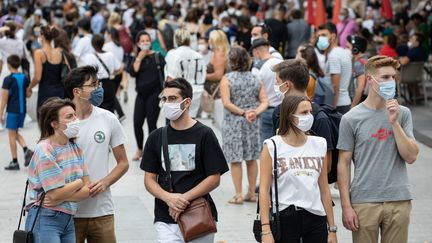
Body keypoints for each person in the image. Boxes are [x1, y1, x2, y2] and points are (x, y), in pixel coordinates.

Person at [337, 55, 419, 243]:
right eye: (385, 77)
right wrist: (346, 206)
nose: (391, 82)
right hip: (364, 200)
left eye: (393, 77)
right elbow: (343, 163)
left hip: (398, 198)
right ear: (369, 80)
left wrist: (394, 122)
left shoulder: (403, 113)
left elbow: (411, 156)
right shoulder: (350, 118)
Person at [141, 77, 229, 242]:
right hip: (166, 217)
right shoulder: (156, 137)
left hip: (198, 215)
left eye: (173, 99)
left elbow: (214, 178)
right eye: (164, 99)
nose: (167, 103)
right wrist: (168, 198)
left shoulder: (205, 134)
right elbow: (149, 179)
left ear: (187, 102)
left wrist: (184, 198)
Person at [63, 66, 129, 243]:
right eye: (93, 85)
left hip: (102, 211)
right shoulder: (60, 122)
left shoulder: (108, 119)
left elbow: (123, 162)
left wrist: (105, 182)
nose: (99, 88)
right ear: (77, 91)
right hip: (67, 212)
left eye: (98, 83)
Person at [259, 94, 337, 243]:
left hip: (316, 218)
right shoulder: (272, 146)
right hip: (285, 218)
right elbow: (263, 191)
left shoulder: (319, 144)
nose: (309, 116)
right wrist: (266, 230)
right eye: (304, 113)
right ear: (290, 116)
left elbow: (324, 189)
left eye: (310, 112)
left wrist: (332, 228)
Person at [25, 97, 90, 243]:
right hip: (46, 217)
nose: (75, 119)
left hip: (68, 219)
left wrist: (61, 195)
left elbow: (87, 190)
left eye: (74, 115)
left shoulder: (76, 148)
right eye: (69, 117)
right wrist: (79, 182)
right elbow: (55, 195)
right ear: (54, 124)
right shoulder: (45, 150)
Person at [272, 59, 340, 198]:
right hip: (284, 195)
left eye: (277, 81)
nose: (275, 85)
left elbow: (326, 166)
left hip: (311, 196)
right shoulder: (278, 113)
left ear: (287, 85)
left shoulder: (319, 119)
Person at [220, 47, 268, 204]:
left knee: (236, 159)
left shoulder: (227, 79)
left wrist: (242, 113)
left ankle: (238, 194)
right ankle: (252, 193)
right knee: (251, 157)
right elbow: (265, 101)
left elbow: (226, 103)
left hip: (233, 123)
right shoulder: (255, 78)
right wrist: (254, 112)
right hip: (252, 123)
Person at [130, 31, 165, 161]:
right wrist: (139, 57)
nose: (145, 43)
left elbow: (165, 74)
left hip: (154, 94)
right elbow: (133, 72)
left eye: (147, 41)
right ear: (138, 43)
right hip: (141, 94)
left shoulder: (157, 56)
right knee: (137, 122)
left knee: (152, 124)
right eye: (142, 41)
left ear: (150, 42)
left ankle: (152, 151)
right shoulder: (136, 57)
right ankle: (140, 149)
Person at [1, 55, 33, 170]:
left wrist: (0, 114)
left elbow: (4, 99)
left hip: (12, 110)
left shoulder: (7, 79)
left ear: (8, 65)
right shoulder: (25, 77)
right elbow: (28, 94)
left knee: (11, 135)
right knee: (14, 133)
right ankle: (26, 150)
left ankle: (15, 162)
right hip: (22, 110)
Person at [165, 28, 206, 118]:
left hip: (178, 95)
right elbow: (203, 75)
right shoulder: (198, 55)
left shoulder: (173, 54)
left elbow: (170, 78)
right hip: (195, 94)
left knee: (175, 126)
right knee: (191, 124)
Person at [251, 38, 283, 146]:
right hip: (282, 109)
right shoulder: (281, 62)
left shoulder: (257, 68)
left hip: (266, 109)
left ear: (256, 51)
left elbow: (255, 92)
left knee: (266, 145)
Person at [27, 25, 66, 114]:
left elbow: (37, 77)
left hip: (46, 93)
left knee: (45, 122)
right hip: (60, 92)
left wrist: (29, 87)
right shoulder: (60, 52)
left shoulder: (39, 53)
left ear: (42, 36)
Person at [316, 22, 353, 114]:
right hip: (343, 102)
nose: (320, 38)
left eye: (324, 35)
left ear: (333, 36)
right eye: (319, 36)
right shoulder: (342, 52)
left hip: (337, 105)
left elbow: (335, 86)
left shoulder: (334, 56)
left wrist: (333, 109)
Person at [81, 34, 123, 113]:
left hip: (94, 85)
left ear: (92, 44)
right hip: (108, 84)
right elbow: (120, 68)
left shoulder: (88, 57)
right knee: (109, 110)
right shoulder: (110, 55)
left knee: (95, 109)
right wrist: (112, 73)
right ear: (103, 43)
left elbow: (85, 72)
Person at [346, 35, 368, 108]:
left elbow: (360, 87)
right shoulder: (364, 59)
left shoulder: (359, 63)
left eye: (348, 47)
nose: (346, 49)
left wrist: (353, 105)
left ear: (355, 49)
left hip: (358, 101)